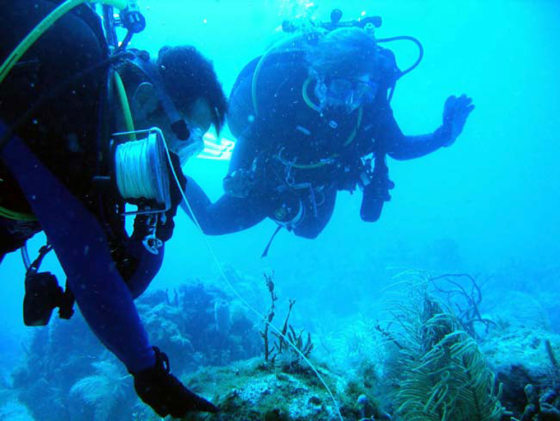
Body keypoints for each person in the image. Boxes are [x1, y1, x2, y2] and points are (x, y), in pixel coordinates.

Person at [0, 1, 227, 417]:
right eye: (185, 135)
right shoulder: (70, 94)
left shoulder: (100, 123)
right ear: (145, 99)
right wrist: (147, 373)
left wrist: (156, 218)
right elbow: (91, 271)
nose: (180, 157)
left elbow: (121, 279)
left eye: (193, 146)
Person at [184, 26, 474, 247]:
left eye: (358, 90)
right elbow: (251, 137)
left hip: (323, 179)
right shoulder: (286, 90)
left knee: (309, 231)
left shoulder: (371, 104)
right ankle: (166, 166)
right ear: (318, 76)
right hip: (272, 174)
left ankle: (285, 207)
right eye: (339, 88)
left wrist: (444, 135)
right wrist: (236, 177)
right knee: (210, 222)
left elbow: (398, 147)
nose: (348, 101)